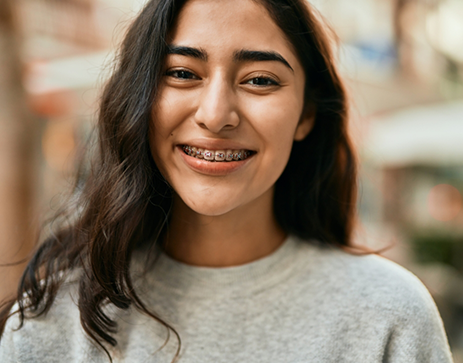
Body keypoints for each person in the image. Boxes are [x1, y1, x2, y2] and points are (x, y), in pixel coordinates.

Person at [0, 0, 454, 362]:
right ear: (140, 98)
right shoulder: (54, 320)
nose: (216, 115)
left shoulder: (389, 318)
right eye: (181, 74)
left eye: (259, 80)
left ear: (307, 114)